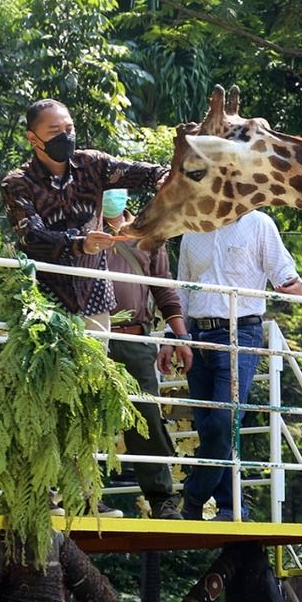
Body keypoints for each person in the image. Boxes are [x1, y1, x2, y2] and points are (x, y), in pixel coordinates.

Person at [0, 98, 169, 518]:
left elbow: (145, 172)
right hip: (44, 302)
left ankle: (86, 497)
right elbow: (30, 236)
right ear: (33, 137)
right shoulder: (17, 182)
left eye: (69, 127)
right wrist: (79, 241)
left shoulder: (93, 164)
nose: (66, 137)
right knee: (49, 396)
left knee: (89, 399)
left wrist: (170, 174)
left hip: (94, 297)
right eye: (56, 131)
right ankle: (45, 496)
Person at [177, 209, 302, 521]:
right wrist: (175, 336)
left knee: (223, 421)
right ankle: (231, 506)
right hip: (196, 333)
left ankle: (192, 499)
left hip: (240, 330)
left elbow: (291, 282)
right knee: (209, 426)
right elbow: (181, 287)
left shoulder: (259, 224)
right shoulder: (192, 226)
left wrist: (291, 290)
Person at [102, 189, 194, 519]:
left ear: (127, 197)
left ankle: (161, 499)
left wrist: (181, 336)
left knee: (146, 419)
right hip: (93, 336)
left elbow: (164, 288)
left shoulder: (148, 234)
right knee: (84, 415)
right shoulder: (83, 230)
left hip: (136, 339)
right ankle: (84, 493)